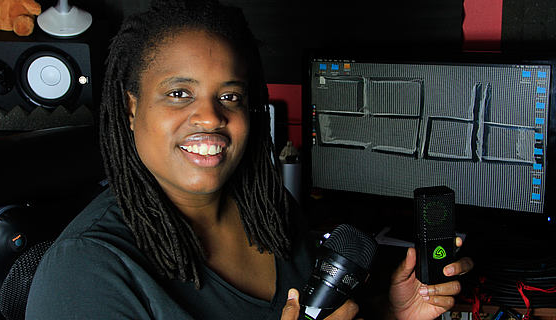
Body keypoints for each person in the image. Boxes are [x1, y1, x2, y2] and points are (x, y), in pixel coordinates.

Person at [25, 0, 473, 319]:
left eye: (230, 96)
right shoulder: (83, 272)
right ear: (131, 108)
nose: (210, 116)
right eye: (179, 93)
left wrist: (390, 314)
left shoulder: (268, 208)